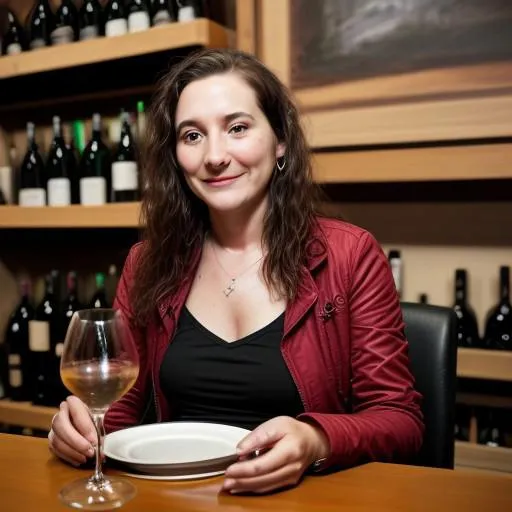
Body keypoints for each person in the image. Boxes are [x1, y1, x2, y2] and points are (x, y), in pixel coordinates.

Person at [48, 48, 424, 494]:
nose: (215, 156)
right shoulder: (147, 262)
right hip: (173, 500)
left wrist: (316, 439)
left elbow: (401, 421)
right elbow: (121, 415)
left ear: (280, 139)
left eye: (238, 128)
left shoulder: (350, 255)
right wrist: (82, 431)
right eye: (192, 136)